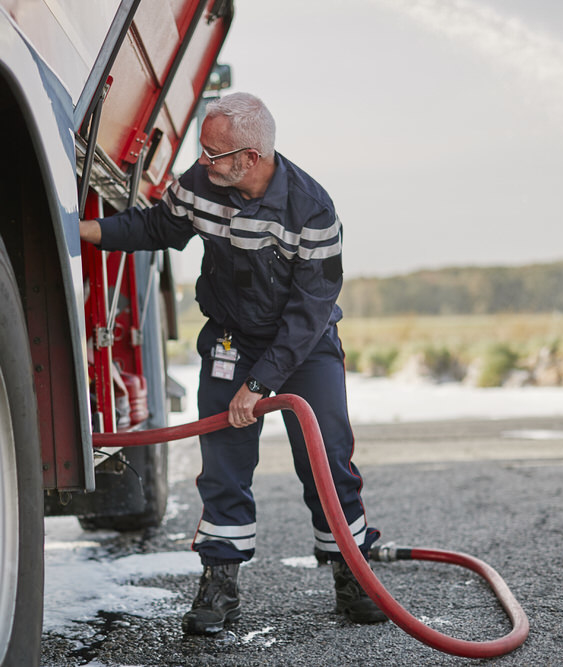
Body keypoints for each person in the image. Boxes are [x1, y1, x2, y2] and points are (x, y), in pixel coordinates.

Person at [79, 92, 386, 634]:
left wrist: (261, 383)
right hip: (229, 339)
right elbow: (157, 229)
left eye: (214, 153)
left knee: (327, 458)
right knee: (222, 463)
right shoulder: (201, 186)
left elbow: (309, 310)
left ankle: (351, 572)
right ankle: (220, 584)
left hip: (303, 345)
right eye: (203, 150)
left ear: (251, 156)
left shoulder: (312, 209)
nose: (203, 161)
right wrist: (91, 234)